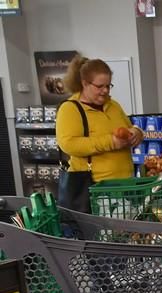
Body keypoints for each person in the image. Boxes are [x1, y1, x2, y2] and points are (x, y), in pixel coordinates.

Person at [55, 55, 143, 211]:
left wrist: (136, 132)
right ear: (84, 84)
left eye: (109, 86)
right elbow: (68, 143)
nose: (105, 91)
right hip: (96, 190)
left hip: (125, 186)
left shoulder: (113, 105)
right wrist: (111, 142)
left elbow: (128, 127)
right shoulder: (70, 109)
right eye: (100, 86)